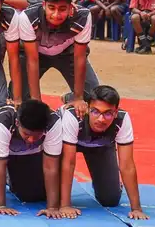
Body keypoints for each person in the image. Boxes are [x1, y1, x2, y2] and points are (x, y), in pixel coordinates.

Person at [0, 99, 67, 217]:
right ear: (17, 123)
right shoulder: (2, 120)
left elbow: (51, 167)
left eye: (37, 136)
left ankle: (11, 179)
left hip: (21, 150)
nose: (31, 140)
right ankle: (8, 176)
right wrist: (0, 205)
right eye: (27, 134)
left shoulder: (53, 122)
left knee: (33, 196)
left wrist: (52, 207)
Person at [58, 85, 146, 217]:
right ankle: (70, 97)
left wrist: (136, 209)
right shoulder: (73, 116)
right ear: (87, 109)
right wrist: (65, 205)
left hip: (100, 147)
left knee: (110, 199)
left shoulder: (122, 119)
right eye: (95, 111)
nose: (101, 119)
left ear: (116, 112)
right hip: (65, 143)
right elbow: (69, 162)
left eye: (108, 113)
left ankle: (113, 184)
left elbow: (127, 165)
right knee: (41, 194)